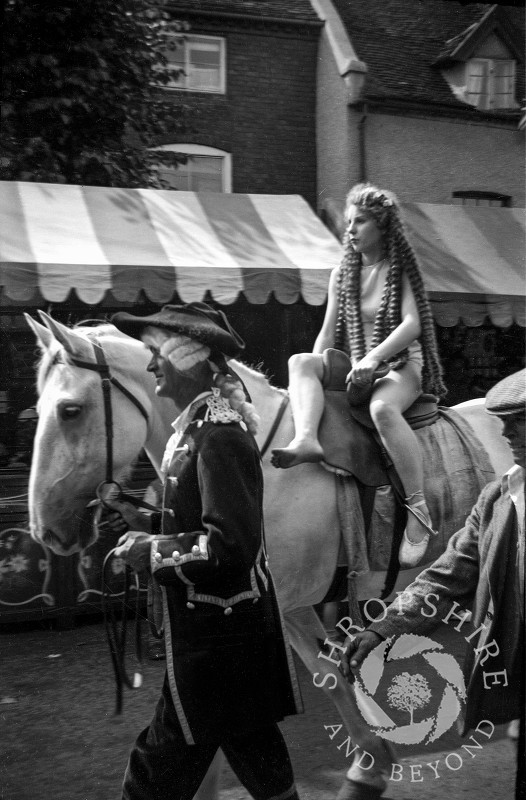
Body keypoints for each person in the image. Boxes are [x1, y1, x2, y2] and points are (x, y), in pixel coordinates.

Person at [105, 302, 303, 800]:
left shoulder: (219, 437)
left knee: (156, 768)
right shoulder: (197, 433)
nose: (150, 366)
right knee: (261, 763)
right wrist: (143, 520)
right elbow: (195, 526)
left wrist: (152, 553)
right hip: (219, 642)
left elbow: (229, 548)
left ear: (185, 362)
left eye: (155, 355)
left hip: (218, 645)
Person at [341, 369, 525, 800]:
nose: (505, 430)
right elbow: (448, 575)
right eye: (502, 419)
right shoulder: (499, 498)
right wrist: (382, 628)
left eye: (520, 419)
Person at [271, 183, 446, 568]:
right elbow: (328, 331)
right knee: (300, 362)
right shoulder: (342, 273)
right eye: (348, 222)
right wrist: (315, 372)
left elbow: (414, 324)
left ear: (382, 226)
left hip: (400, 365)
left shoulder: (398, 268)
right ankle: (306, 439)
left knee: (383, 409)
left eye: (361, 221)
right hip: (356, 366)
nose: (350, 229)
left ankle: (418, 511)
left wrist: (373, 358)